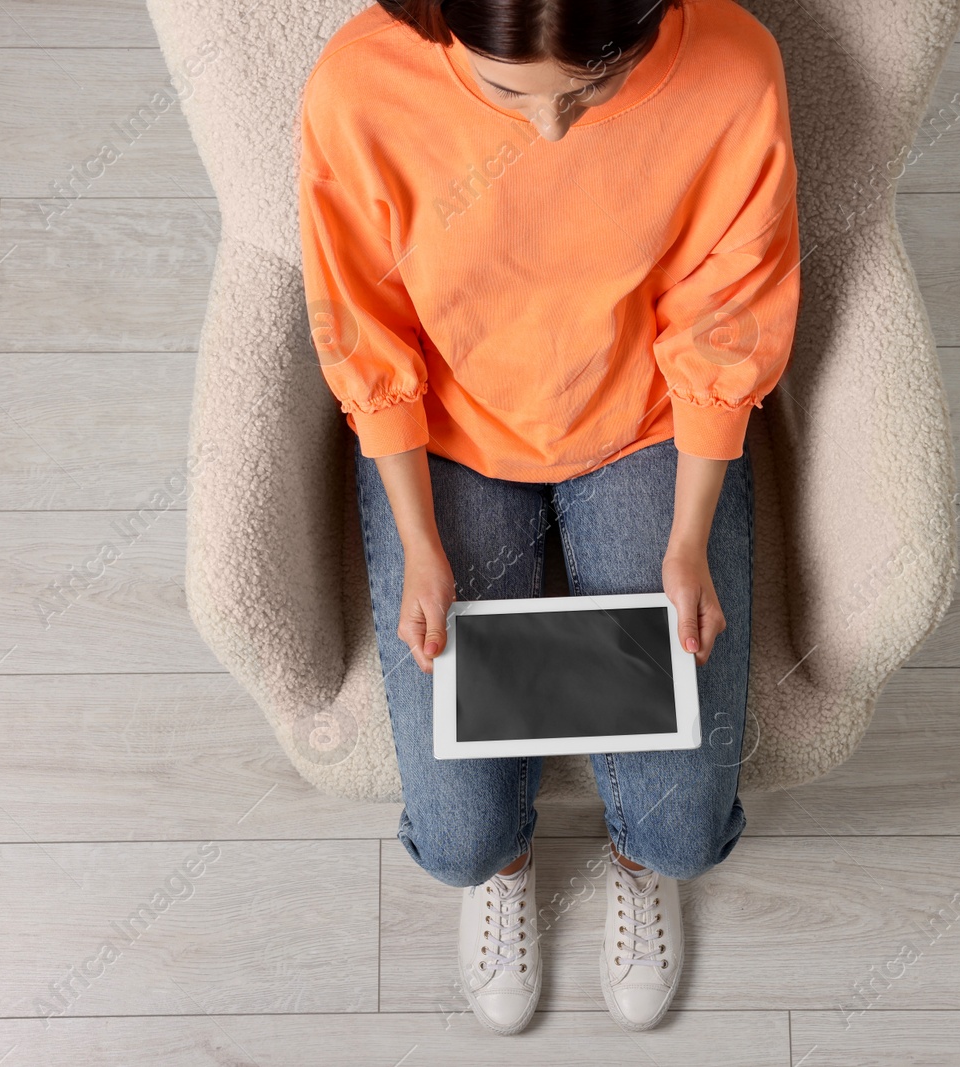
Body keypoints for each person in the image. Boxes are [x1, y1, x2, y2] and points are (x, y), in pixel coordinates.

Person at [298, 0, 800, 1035]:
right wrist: (421, 544)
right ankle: (511, 859)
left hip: (644, 424)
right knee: (460, 841)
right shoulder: (359, 87)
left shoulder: (732, 66)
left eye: (592, 88)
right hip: (443, 432)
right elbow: (365, 329)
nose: (552, 131)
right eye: (505, 93)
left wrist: (688, 538)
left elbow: (725, 317)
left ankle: (631, 860)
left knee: (681, 834)